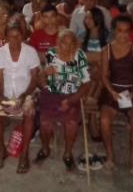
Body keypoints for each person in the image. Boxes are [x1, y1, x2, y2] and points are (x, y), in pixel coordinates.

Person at [35, 29, 91, 172]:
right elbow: (41, 79)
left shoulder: (79, 55)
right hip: (52, 93)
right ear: (57, 43)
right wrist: (44, 73)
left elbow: (86, 83)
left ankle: (67, 152)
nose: (65, 46)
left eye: (69, 43)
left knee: (71, 123)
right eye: (62, 43)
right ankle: (46, 148)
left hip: (72, 94)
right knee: (44, 122)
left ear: (74, 44)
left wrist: (72, 100)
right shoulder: (51, 54)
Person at [0, 25, 40, 173]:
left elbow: (34, 80)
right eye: (11, 36)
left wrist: (24, 96)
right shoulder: (0, 52)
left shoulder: (30, 52)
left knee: (29, 113)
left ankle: (24, 154)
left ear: (23, 36)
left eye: (18, 36)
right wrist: (1, 97)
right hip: (6, 94)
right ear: (6, 38)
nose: (15, 40)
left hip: (26, 92)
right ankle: (1, 149)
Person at [99, 16, 133, 175]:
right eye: (119, 31)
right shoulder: (107, 50)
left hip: (131, 91)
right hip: (112, 91)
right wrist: (112, 92)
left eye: (126, 31)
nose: (123, 35)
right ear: (114, 31)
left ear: (131, 31)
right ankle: (110, 157)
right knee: (104, 120)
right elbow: (104, 76)